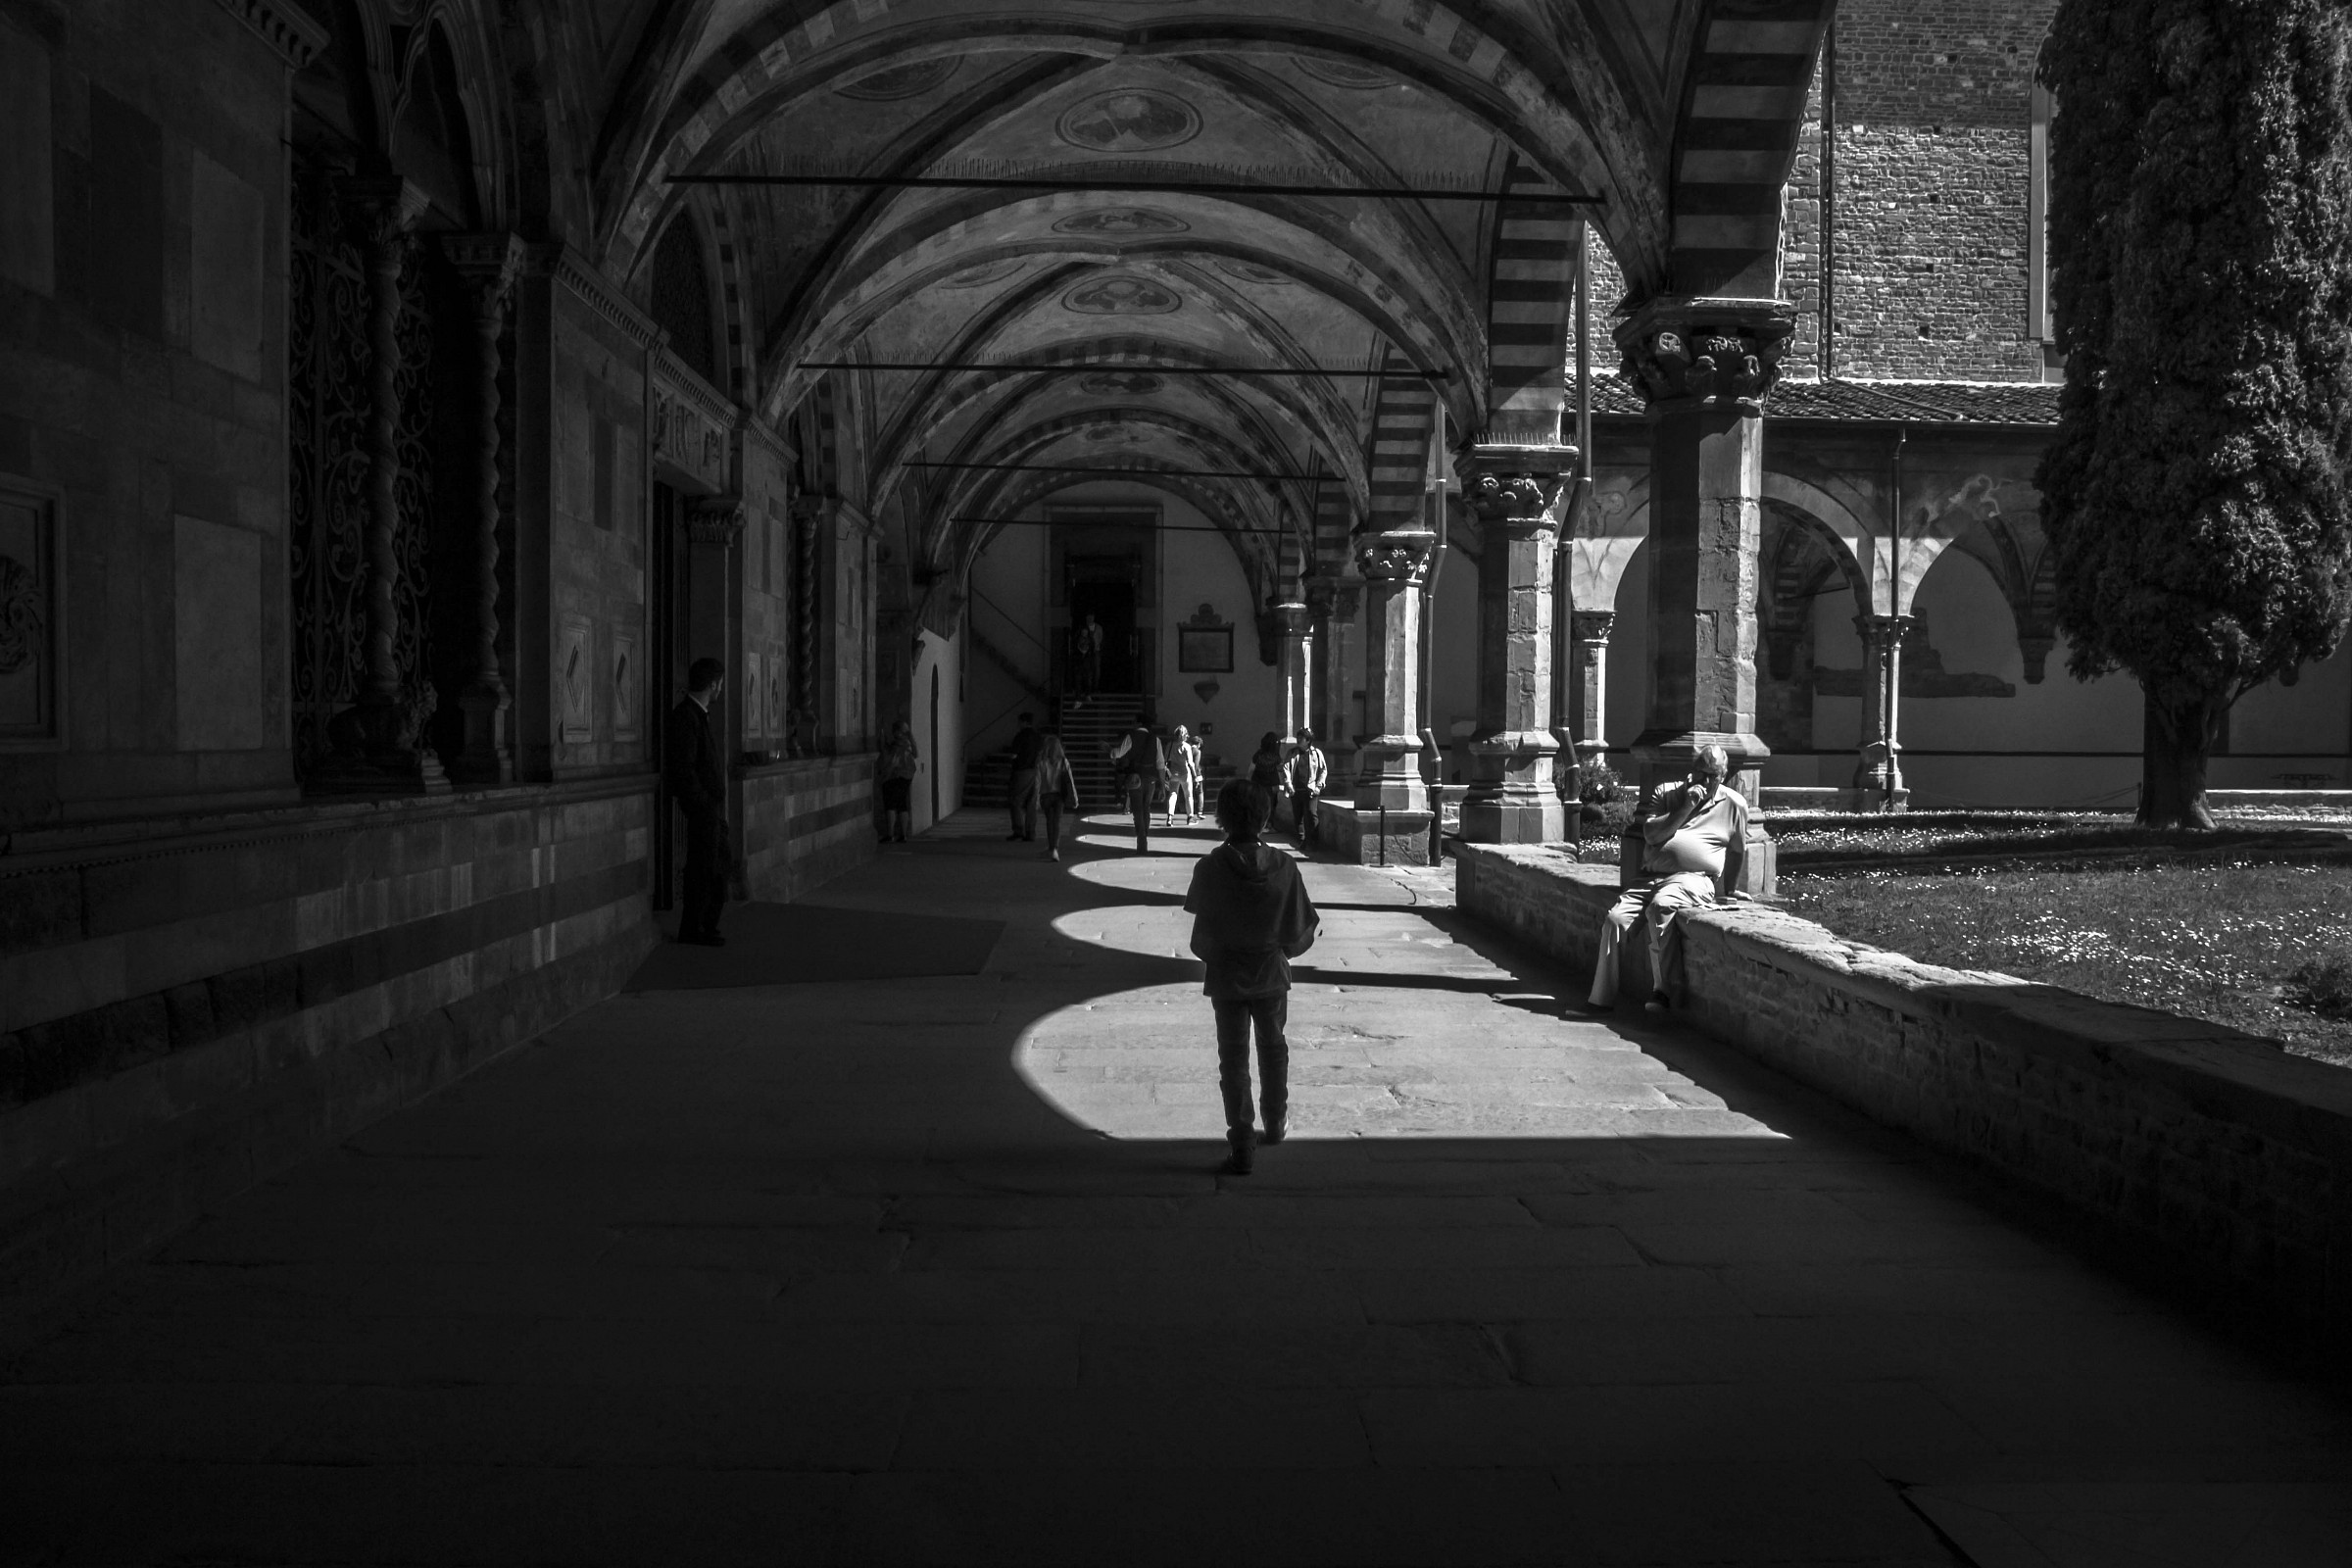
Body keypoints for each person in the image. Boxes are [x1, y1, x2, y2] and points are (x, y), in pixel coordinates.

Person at [1183, 778, 1320, 1175]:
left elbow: (1200, 937)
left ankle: (1242, 1141)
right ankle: (1275, 1122)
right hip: (1271, 975)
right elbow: (1301, 931)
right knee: (1274, 1047)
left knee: (1233, 1058)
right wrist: (1282, 953)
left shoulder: (1209, 868)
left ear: (1222, 818)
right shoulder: (1283, 867)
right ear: (1264, 818)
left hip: (1227, 976)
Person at [1586, 745, 1749, 1012]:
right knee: (1614, 920)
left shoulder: (1734, 804)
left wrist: (1730, 889)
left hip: (1693, 878)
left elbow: (1737, 850)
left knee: (1661, 906)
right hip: (1649, 877)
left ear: (1724, 775)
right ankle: (1599, 1000)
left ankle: (1663, 991)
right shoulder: (1667, 793)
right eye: (1701, 773)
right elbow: (1652, 835)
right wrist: (1686, 807)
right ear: (1692, 771)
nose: (1706, 782)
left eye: (1713, 775)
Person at [664, 657, 730, 947]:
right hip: (703, 809)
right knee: (703, 870)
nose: (721, 690)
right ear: (713, 684)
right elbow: (684, 768)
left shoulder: (698, 714)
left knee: (717, 867)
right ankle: (693, 928)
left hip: (710, 808)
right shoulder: (686, 717)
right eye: (720, 684)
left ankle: (706, 923)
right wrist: (703, 802)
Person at [1108, 717, 1167, 853]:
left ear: (1137, 724)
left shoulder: (1131, 736)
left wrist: (1111, 751)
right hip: (1151, 778)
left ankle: (1141, 840)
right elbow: (1161, 764)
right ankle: (1145, 834)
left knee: (1137, 810)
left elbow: (1119, 753)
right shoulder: (1156, 740)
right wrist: (1163, 786)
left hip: (1135, 777)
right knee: (1146, 807)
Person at [1035, 723, 1079, 861]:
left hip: (1046, 795)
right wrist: (1075, 798)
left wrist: (1036, 799)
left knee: (1049, 821)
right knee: (1057, 822)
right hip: (1059, 796)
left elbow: (1037, 782)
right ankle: (1054, 849)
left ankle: (1051, 848)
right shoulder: (1063, 761)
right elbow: (1070, 781)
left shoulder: (1041, 762)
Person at [877, 718, 919, 844]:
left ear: (897, 732)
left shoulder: (895, 746)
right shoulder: (909, 745)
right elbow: (916, 755)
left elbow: (885, 754)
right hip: (907, 777)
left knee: (890, 803)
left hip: (893, 776)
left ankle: (890, 834)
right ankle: (903, 834)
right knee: (902, 803)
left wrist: (882, 735)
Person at [1004, 711, 1042, 843]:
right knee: (1031, 803)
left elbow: (1014, 755)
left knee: (1015, 800)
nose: (1018, 724)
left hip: (1021, 771)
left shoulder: (1020, 736)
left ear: (1023, 722)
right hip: (1035, 771)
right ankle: (1031, 833)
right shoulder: (1038, 737)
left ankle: (1018, 830)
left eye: (1019, 722)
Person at [1289, 727, 1328, 847]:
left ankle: (1313, 840)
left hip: (1311, 790)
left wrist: (1318, 786)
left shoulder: (1316, 753)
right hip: (1296, 789)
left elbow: (1323, 770)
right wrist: (1288, 784)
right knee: (1298, 815)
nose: (1299, 740)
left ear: (1308, 740)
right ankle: (1302, 840)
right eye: (1298, 737)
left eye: (1302, 738)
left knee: (1311, 814)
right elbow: (1286, 768)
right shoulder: (1292, 753)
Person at [1167, 723, 1203, 824]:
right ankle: (1190, 817)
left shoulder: (1170, 745)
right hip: (1184, 773)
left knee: (1173, 794)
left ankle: (1170, 817)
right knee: (1188, 795)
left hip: (1173, 772)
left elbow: (1166, 759)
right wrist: (1195, 777)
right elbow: (1191, 763)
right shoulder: (1186, 746)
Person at [1073, 613, 1104, 700]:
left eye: (1091, 617)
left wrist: (1096, 647)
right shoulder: (1083, 628)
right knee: (1086, 671)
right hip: (1086, 654)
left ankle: (1095, 687)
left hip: (1095, 651)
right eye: (1088, 617)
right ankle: (1086, 690)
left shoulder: (1098, 628)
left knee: (1096, 670)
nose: (1090, 619)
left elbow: (1100, 639)